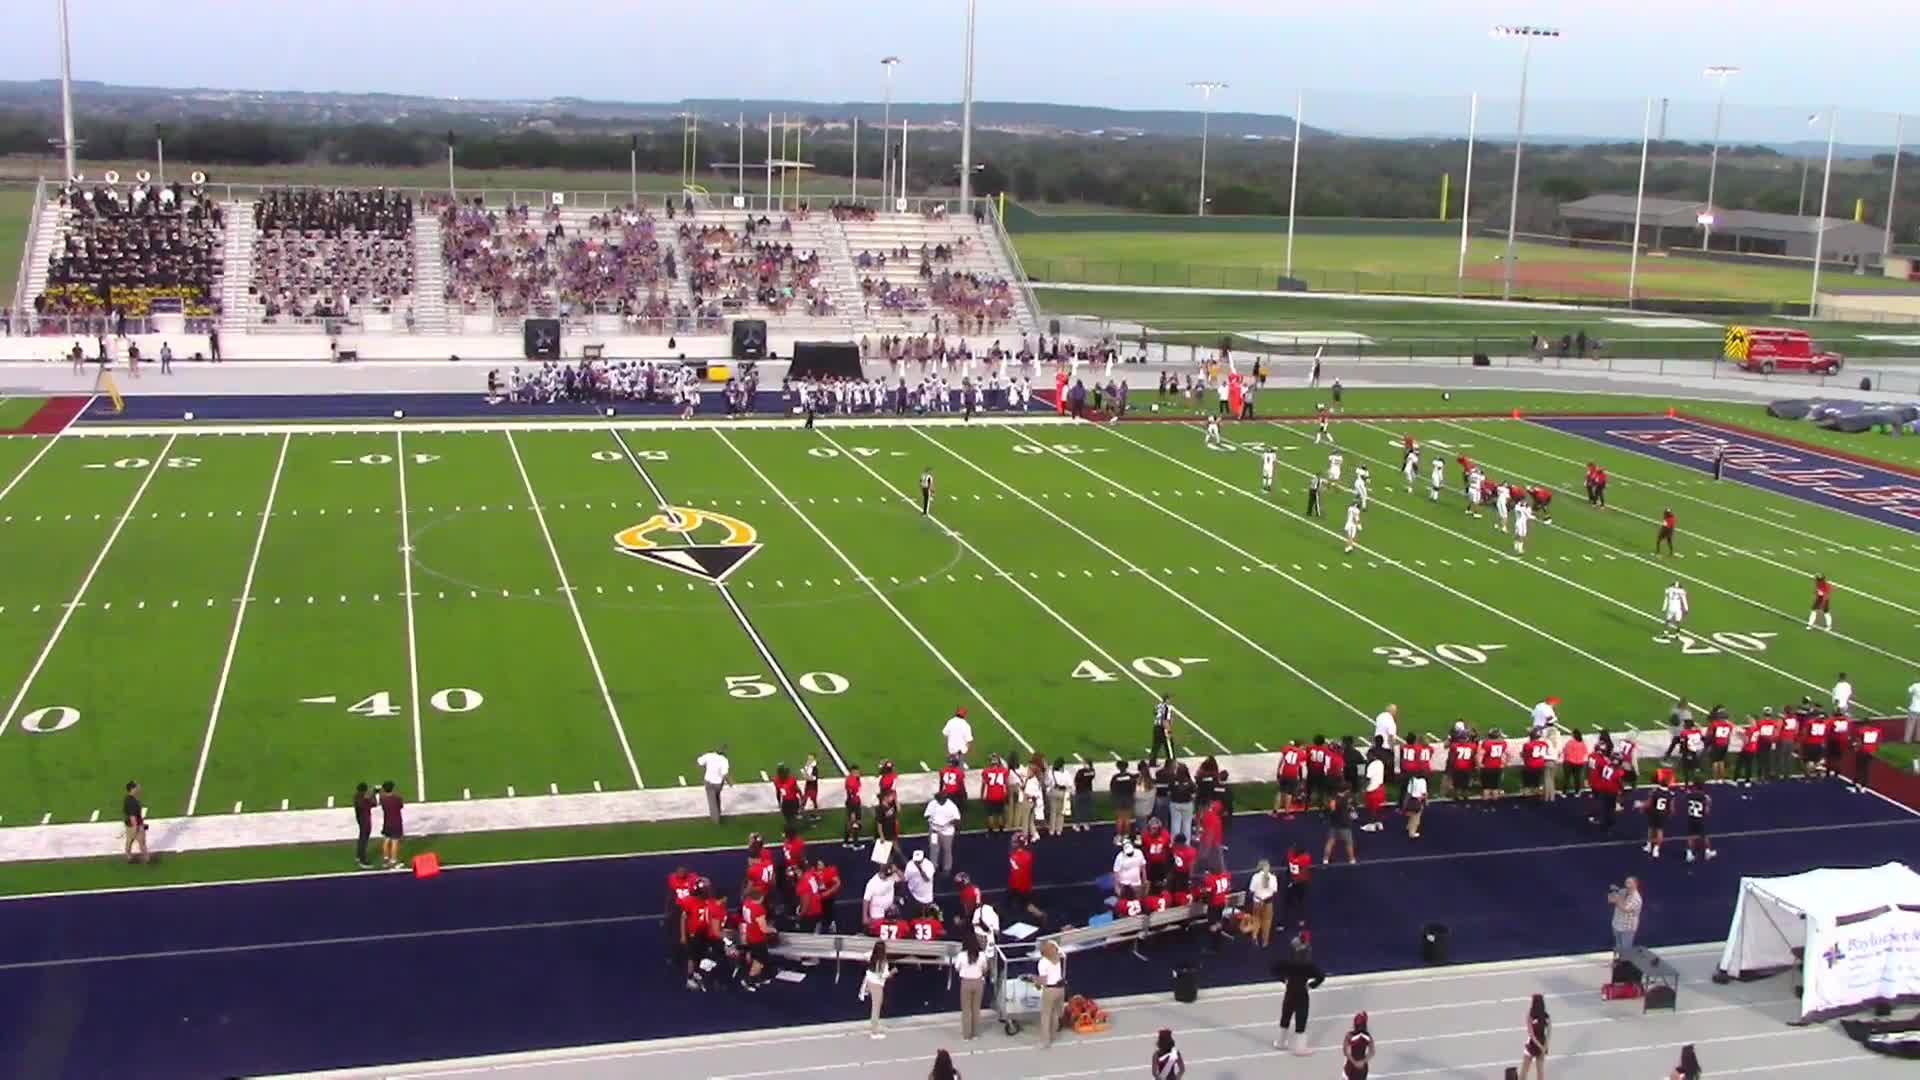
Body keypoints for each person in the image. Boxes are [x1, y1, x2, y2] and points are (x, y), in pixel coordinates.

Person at [1271, 933, 1326, 1053]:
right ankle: (1300, 1048)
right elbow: (1321, 976)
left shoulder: (1288, 963)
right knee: (1301, 1018)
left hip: (1290, 990)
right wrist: (1311, 985)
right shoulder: (1308, 966)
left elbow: (1274, 969)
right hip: (1301, 991)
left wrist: (1283, 979)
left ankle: (1280, 1042)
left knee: (1286, 1015)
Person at [953, 933, 990, 1040]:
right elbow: (985, 969)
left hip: (966, 983)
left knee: (966, 1010)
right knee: (976, 1009)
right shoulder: (982, 955)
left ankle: (966, 1035)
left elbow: (956, 968)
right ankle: (975, 1034)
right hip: (978, 983)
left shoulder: (961, 955)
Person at [1037, 939, 1068, 1048]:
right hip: (1060, 989)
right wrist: (1051, 943)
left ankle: (1046, 1042)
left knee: (1045, 1016)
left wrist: (1034, 980)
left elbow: (1043, 981)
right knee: (1055, 1014)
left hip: (1050, 990)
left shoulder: (1042, 962)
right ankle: (1053, 1035)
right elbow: (1056, 946)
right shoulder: (1058, 957)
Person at [861, 940, 894, 1039]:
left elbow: (865, 955)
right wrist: (893, 971)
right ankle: (874, 1032)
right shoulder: (883, 962)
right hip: (877, 985)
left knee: (875, 1008)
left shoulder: (871, 955)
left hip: (869, 982)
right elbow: (884, 976)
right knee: (876, 1009)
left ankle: (875, 1027)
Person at [925, 790, 962, 875]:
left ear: (944, 799)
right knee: (934, 849)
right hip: (934, 831)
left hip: (947, 833)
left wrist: (949, 823)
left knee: (947, 850)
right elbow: (927, 815)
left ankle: (947, 868)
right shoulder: (932, 803)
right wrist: (931, 820)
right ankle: (933, 866)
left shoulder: (951, 806)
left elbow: (957, 820)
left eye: (939, 799)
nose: (937, 801)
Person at [1517, 993, 1550, 1080]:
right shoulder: (1546, 1016)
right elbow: (1548, 1033)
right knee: (1540, 1072)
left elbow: (1531, 1035)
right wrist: (1544, 1047)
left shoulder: (1530, 1016)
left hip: (1532, 1045)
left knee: (1524, 1070)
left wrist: (1540, 1046)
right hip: (1542, 1044)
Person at [1248, 859, 1279, 948]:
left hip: (1257, 901)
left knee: (1256, 918)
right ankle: (1265, 941)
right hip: (1268, 902)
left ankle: (1254, 936)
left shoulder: (1255, 877)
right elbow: (1274, 891)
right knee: (1267, 921)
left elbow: (1251, 890)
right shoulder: (1273, 877)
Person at [1609, 876, 1643, 957]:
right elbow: (1610, 899)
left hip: (1627, 928)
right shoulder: (1623, 891)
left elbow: (1625, 909)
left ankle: (1626, 964)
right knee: (1619, 947)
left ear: (1636, 884)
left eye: (1630, 883)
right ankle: (1619, 963)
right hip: (1617, 925)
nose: (1627, 885)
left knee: (1626, 950)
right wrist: (1613, 891)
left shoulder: (1637, 899)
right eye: (1626, 882)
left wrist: (1617, 900)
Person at [1324, 783, 1357, 864]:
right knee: (1348, 843)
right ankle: (1352, 859)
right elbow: (1352, 812)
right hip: (1344, 824)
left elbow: (1331, 810)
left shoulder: (1334, 798)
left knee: (1330, 842)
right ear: (1346, 791)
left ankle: (1325, 860)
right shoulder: (1346, 799)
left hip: (1334, 824)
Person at [697, 745, 731, 824]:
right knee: (717, 796)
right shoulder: (724, 760)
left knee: (712, 801)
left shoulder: (709, 756)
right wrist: (730, 783)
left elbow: (699, 762)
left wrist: (706, 768)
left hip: (709, 782)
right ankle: (718, 812)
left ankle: (716, 819)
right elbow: (725, 774)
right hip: (718, 784)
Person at [378, 780, 405, 869]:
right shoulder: (397, 798)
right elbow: (401, 806)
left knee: (386, 840)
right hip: (396, 822)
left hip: (387, 822)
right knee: (394, 842)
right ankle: (393, 861)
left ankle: (386, 860)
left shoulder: (382, 798)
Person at [1342, 1011, 1376, 1079]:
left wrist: (1354, 1062)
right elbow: (1372, 1052)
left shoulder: (1349, 1035)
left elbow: (1345, 1051)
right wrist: (1363, 1061)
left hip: (1351, 1066)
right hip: (1362, 1067)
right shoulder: (1368, 1036)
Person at [122, 780, 149, 864]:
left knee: (129, 841)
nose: (138, 788)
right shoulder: (132, 802)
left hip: (130, 825)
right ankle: (146, 858)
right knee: (141, 842)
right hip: (135, 826)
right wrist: (136, 827)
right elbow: (133, 816)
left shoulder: (128, 799)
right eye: (136, 787)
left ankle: (129, 856)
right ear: (132, 789)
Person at [352, 781, 376, 869]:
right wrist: (373, 794)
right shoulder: (363, 800)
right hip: (365, 821)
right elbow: (374, 803)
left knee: (362, 839)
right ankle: (362, 859)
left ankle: (359, 856)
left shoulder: (357, 797)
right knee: (364, 840)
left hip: (361, 821)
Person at [1151, 694, 1175, 763]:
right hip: (1163, 728)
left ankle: (1152, 762)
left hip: (1156, 727)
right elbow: (1165, 720)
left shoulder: (1158, 705)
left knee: (1155, 746)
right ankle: (1171, 762)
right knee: (1169, 745)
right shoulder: (1168, 707)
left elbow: (1154, 712)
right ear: (1167, 700)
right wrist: (1169, 730)